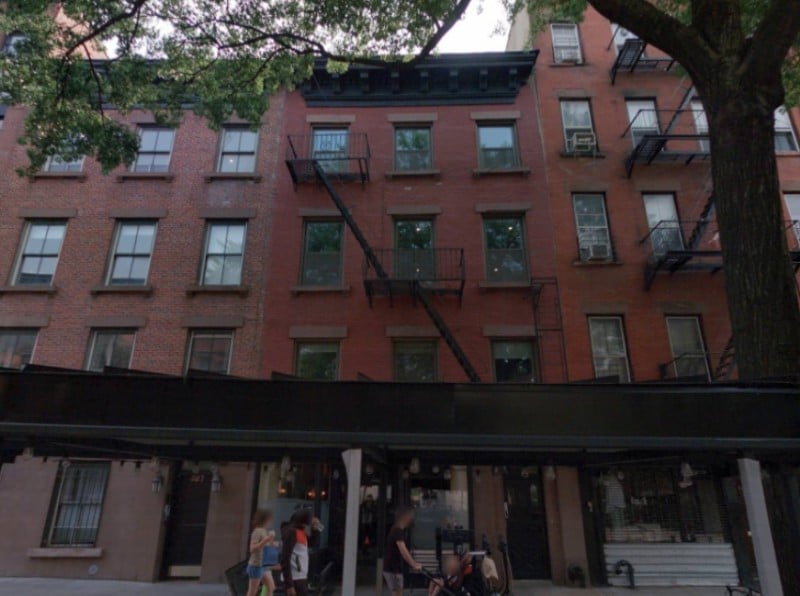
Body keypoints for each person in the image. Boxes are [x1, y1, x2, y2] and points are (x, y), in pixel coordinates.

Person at [280, 509, 322, 596]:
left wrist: (316, 529)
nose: (313, 519)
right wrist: (289, 585)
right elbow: (285, 558)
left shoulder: (301, 532)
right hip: (294, 578)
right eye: (311, 517)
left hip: (300, 576)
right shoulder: (292, 532)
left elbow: (312, 543)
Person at [384, 506, 422, 596]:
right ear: (404, 517)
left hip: (393, 568)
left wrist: (414, 563)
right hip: (393, 569)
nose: (412, 519)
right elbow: (403, 551)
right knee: (397, 593)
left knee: (397, 593)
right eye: (410, 516)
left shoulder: (397, 530)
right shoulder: (397, 531)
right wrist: (413, 564)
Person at [246, 510, 276, 596]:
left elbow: (265, 547)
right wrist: (265, 540)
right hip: (256, 565)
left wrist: (272, 541)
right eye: (269, 519)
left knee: (271, 587)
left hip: (264, 565)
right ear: (264, 519)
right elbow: (252, 549)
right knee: (252, 591)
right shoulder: (257, 531)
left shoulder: (264, 531)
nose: (270, 522)